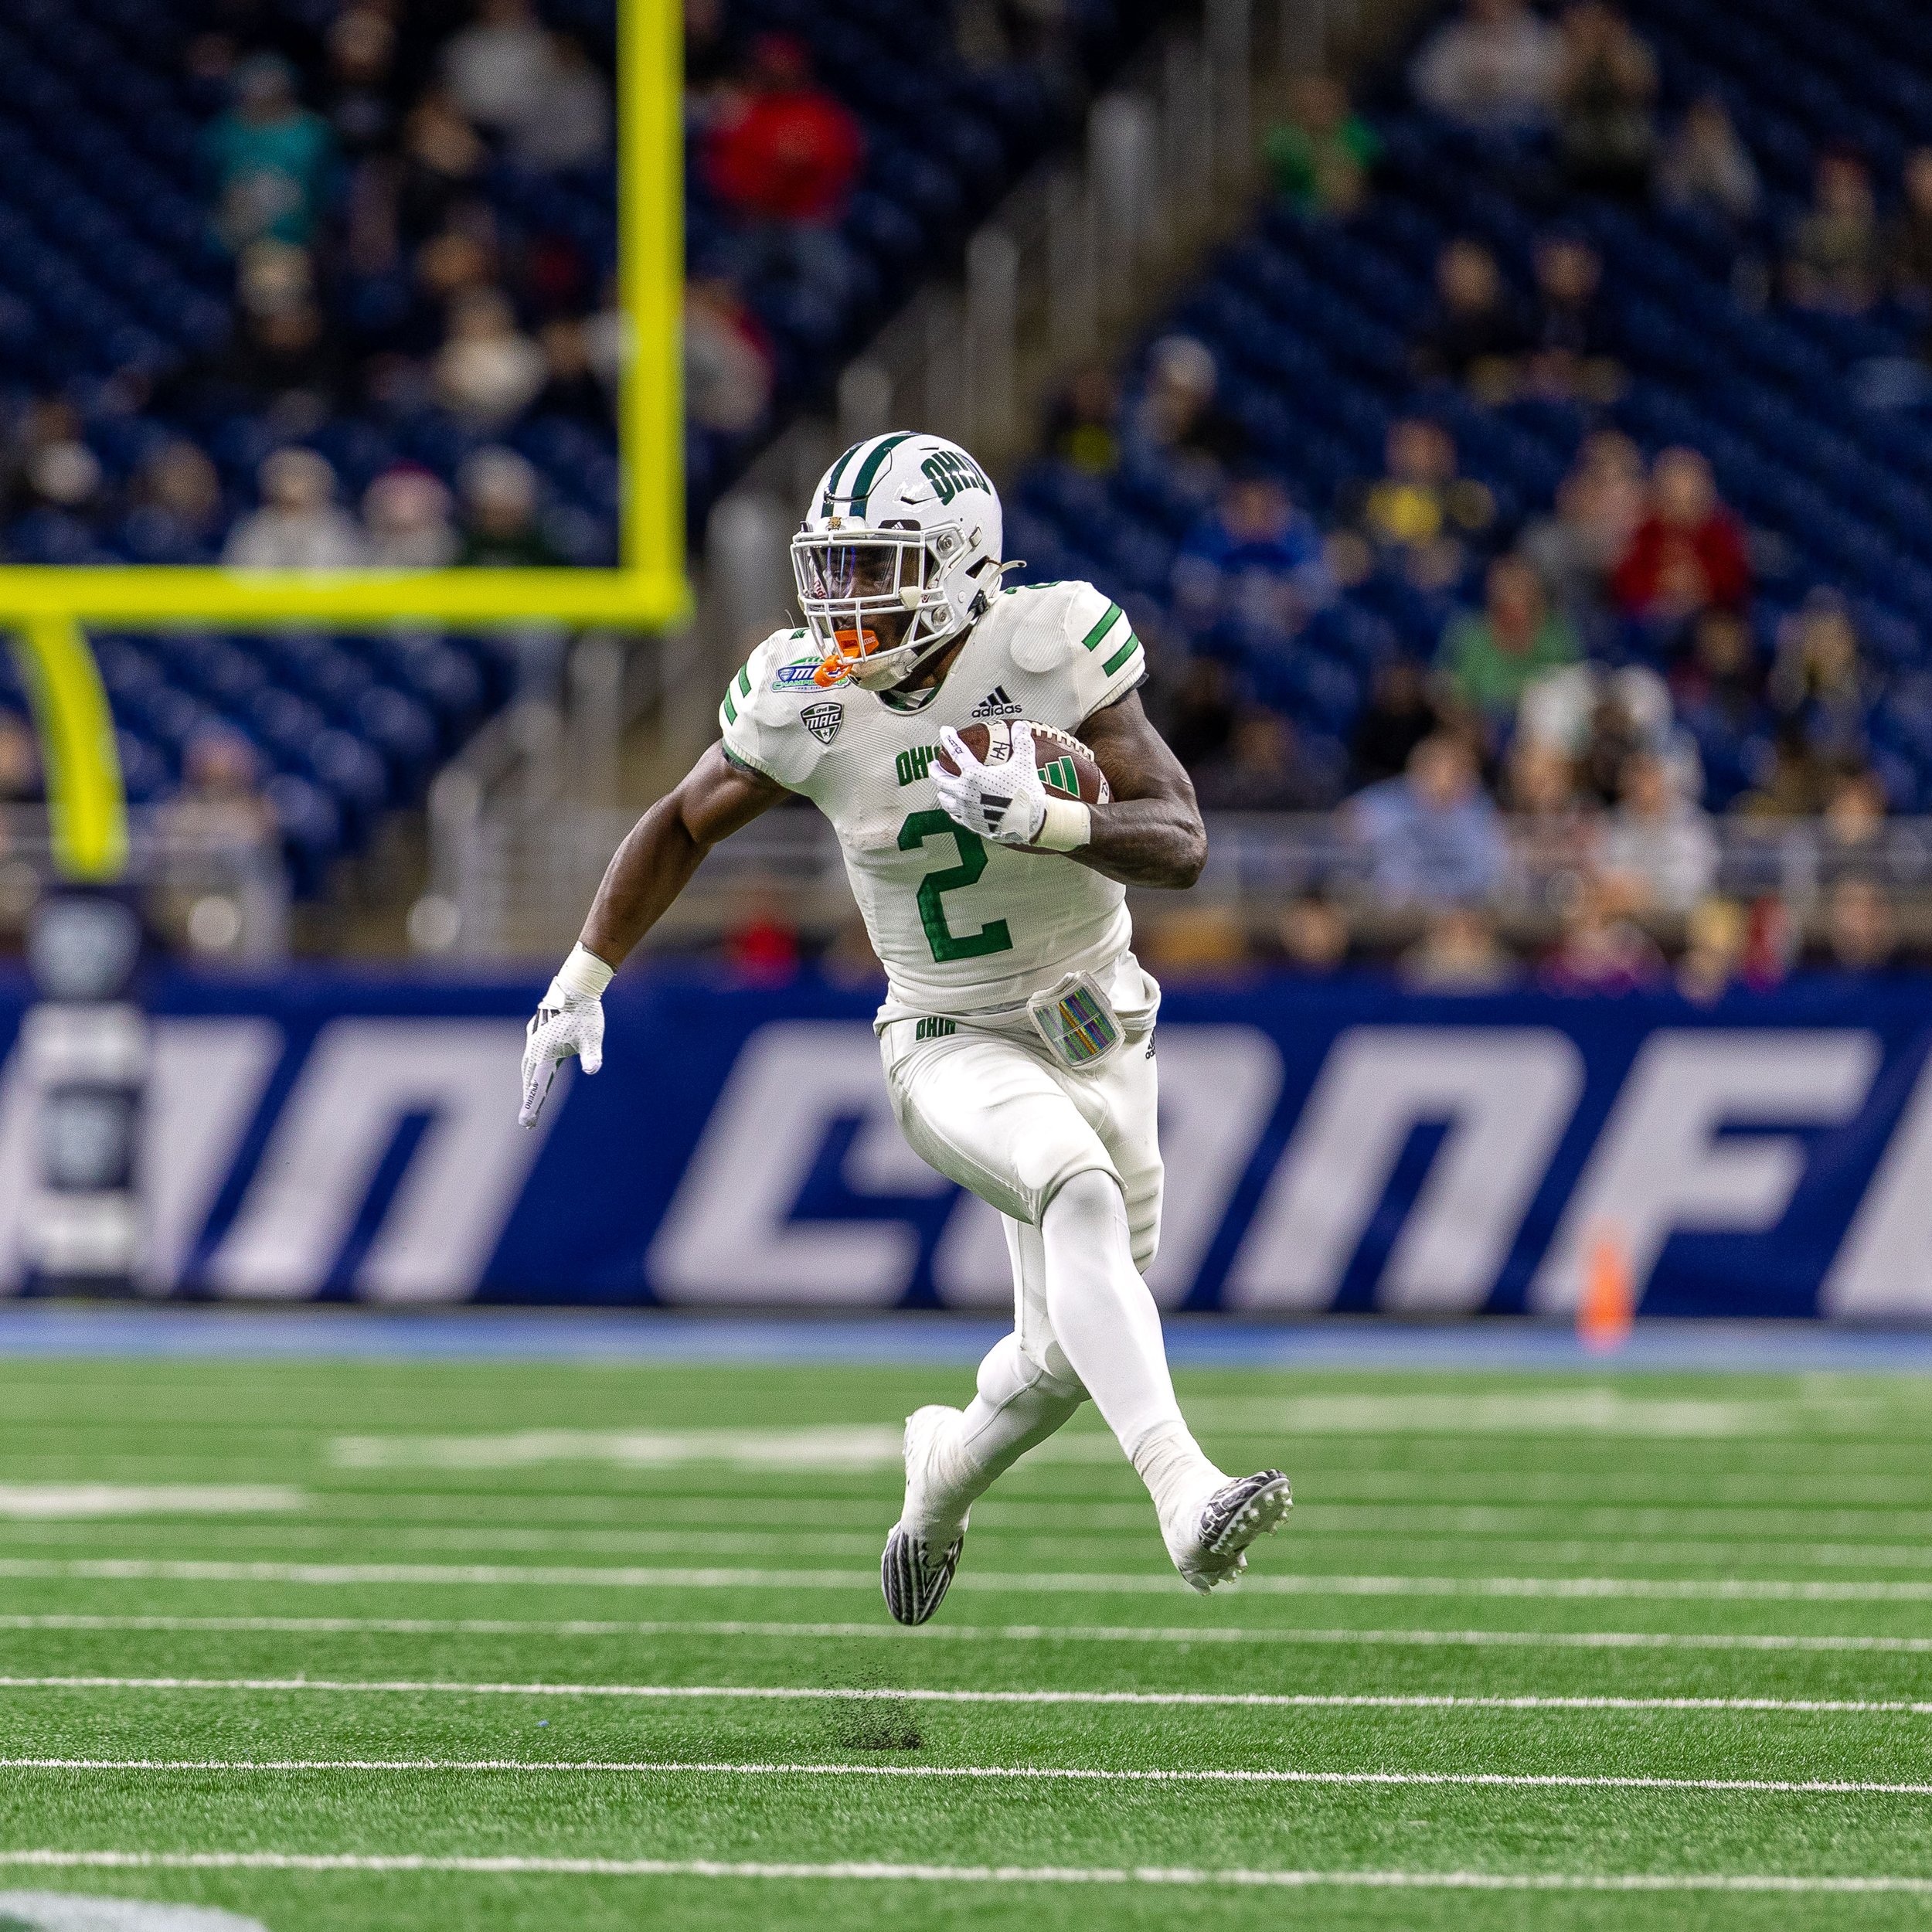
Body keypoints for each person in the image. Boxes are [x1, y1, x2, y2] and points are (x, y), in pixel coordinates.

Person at [519, 431, 1294, 1621]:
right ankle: (1186, 1497)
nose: (846, 601)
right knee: (1075, 1191)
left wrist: (1054, 821)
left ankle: (940, 1474)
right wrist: (582, 976)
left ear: (965, 561)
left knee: (1058, 1361)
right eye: (833, 568)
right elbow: (680, 821)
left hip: (1102, 1022)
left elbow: (1182, 838)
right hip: (947, 1034)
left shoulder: (1051, 643)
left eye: (878, 566)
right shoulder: (806, 694)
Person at [704, 35, 863, 304]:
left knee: (835, 284)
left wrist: (805, 162)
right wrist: (770, 175)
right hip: (755, 221)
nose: (778, 74)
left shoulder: (819, 112)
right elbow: (723, 173)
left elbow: (846, 162)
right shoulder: (744, 114)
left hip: (809, 218)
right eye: (771, 68)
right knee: (721, 283)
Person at [1352, 732, 1508, 906]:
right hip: (1395, 908)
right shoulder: (1391, 802)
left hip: (1460, 907)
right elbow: (1349, 823)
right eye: (1435, 768)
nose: (1444, 778)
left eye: (1456, 771)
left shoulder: (1477, 810)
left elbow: (1489, 868)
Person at [202, 53, 335, 252]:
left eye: (270, 80)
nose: (263, 88)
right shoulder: (221, 132)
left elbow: (326, 191)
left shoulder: (314, 133)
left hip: (296, 246)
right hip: (232, 245)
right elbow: (207, 189)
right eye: (256, 81)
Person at [1171, 474, 1331, 637]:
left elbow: (1321, 593)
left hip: (1285, 634)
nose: (1255, 514)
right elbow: (1189, 590)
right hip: (1222, 633)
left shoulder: (1298, 532)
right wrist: (1232, 595)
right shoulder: (1210, 530)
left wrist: (1288, 599)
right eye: (1246, 506)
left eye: (1264, 506)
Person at [1437, 553, 1582, 730]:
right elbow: (1453, 696)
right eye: (1507, 592)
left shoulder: (1557, 634)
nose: (1514, 600)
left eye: (1521, 591)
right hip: (1480, 729)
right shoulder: (1470, 635)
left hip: (1544, 730)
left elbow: (1572, 689)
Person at [1349, 417, 1495, 588]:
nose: (1410, 453)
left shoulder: (1467, 497)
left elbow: (1479, 551)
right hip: (1387, 587)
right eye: (1403, 444)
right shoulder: (1372, 497)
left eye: (1422, 444)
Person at [1611, 447, 1750, 623]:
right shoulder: (1647, 532)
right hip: (1652, 620)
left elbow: (1734, 583)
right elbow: (1626, 584)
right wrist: (1662, 584)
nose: (1680, 504)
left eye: (1689, 496)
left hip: (1708, 618)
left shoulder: (1718, 533)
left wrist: (1700, 582)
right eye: (1673, 494)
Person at [1521, 430, 1646, 614]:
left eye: (1613, 460)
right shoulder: (1579, 489)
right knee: (1542, 541)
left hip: (1620, 576)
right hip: (1578, 566)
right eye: (1599, 462)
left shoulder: (1639, 495)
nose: (1605, 466)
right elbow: (1570, 519)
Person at [1553, 0, 1657, 199]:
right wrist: (1585, 53)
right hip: (1581, 150)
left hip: (1627, 150)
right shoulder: (1571, 52)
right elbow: (1562, 96)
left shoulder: (1634, 51)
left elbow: (1637, 93)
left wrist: (1611, 51)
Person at [1410, 0, 1561, 134]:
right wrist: (1470, 84)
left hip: (1523, 130)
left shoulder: (1540, 36)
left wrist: (1501, 83)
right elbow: (1425, 85)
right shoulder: (1453, 36)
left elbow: (1551, 88)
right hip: (1460, 130)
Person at [1598, 750, 1718, 913]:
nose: (1642, 786)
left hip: (1679, 916)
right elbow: (1607, 869)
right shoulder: (1617, 821)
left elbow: (1697, 879)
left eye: (1649, 777)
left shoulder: (1690, 822)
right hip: (1626, 914)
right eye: (1636, 778)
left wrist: (1649, 889)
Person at [1413, 239, 1529, 396]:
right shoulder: (1430, 331)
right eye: (1459, 271)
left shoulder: (1516, 322)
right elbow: (1428, 383)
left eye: (1474, 269)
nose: (1467, 278)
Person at [223, 447, 366, 570]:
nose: (294, 484)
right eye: (288, 476)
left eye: (303, 476)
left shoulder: (339, 531)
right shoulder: (254, 530)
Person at [1263, 75, 1382, 219]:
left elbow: (1367, 167)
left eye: (1324, 102)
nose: (1319, 110)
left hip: (1355, 211)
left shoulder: (1355, 130)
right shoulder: (1284, 135)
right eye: (1311, 105)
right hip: (1299, 212)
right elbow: (1280, 169)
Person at [1786, 150, 1882, 315]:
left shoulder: (1876, 233)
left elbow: (1872, 288)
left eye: (1848, 184)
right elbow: (1794, 280)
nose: (1840, 192)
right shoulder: (1807, 230)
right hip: (1814, 315)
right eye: (1834, 183)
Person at [1656, 94, 1760, 228]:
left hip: (1718, 224)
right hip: (1683, 220)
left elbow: (1745, 204)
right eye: (1700, 120)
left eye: (1710, 122)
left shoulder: (1733, 154)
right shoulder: (1677, 148)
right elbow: (1669, 195)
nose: (1704, 129)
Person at [1351, 656, 1444, 787]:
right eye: (1397, 682)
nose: (1401, 687)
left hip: (1420, 787)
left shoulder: (1429, 720)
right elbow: (1363, 763)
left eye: (1406, 682)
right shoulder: (1374, 720)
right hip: (1379, 787)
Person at [1889, 149, 1932, 308]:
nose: (1924, 184)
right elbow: (1898, 273)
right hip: (1911, 301)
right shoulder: (1900, 223)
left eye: (1928, 176)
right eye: (1919, 177)